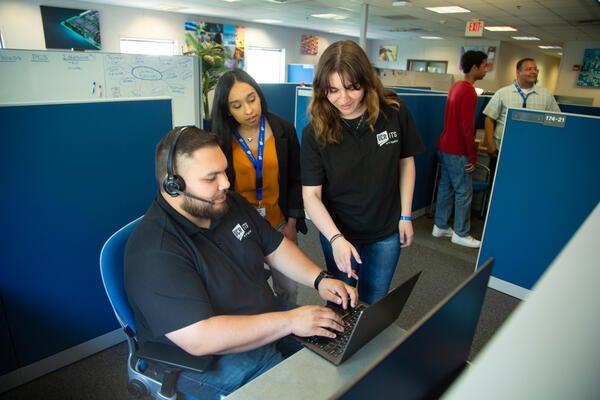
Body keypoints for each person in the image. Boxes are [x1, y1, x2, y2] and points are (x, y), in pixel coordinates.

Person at [124, 126, 358, 400]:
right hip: (208, 354)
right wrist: (290, 321)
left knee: (338, 348)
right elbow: (201, 338)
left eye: (224, 171)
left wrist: (320, 279)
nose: (225, 183)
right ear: (173, 186)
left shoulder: (227, 203)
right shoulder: (155, 251)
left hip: (261, 315)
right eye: (211, 177)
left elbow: (275, 247)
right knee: (300, 389)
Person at [301, 40, 425, 304]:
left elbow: (406, 163)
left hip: (385, 230)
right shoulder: (315, 132)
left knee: (375, 298)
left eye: (352, 88)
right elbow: (311, 195)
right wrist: (335, 239)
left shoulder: (394, 112)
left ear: (366, 82)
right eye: (332, 90)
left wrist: (406, 214)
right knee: (341, 299)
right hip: (339, 231)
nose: (343, 99)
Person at [211, 68, 305, 303]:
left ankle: (289, 335)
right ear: (227, 110)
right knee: (251, 293)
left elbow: (296, 179)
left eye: (252, 99)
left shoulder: (284, 130)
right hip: (240, 228)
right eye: (237, 105)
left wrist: (292, 222)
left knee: (289, 290)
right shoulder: (219, 140)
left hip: (279, 224)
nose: (249, 110)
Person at [432, 50, 488, 248]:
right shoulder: (468, 91)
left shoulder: (455, 86)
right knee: (464, 192)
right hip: (457, 150)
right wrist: (472, 157)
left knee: (446, 187)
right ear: (474, 68)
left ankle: (440, 225)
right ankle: (461, 233)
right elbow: (466, 128)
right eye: (484, 65)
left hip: (445, 146)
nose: (486, 69)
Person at [483, 57, 560, 172]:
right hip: (503, 149)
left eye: (535, 69)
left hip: (533, 151)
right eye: (529, 69)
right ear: (518, 72)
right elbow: (489, 118)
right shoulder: (503, 93)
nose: (533, 72)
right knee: (498, 184)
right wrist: (490, 144)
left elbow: (556, 120)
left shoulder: (546, 95)